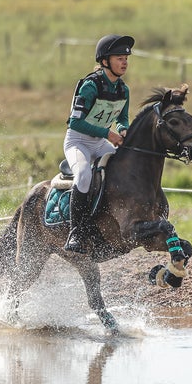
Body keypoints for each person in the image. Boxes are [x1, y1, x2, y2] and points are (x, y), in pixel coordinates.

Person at [63, 33, 134, 253]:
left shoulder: (123, 89)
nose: (124, 61)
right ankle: (76, 231)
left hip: (100, 142)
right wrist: (109, 134)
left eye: (126, 58)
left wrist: (123, 129)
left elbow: (122, 117)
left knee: (125, 170)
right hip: (78, 142)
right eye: (119, 58)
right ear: (105, 61)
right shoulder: (90, 86)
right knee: (83, 174)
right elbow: (74, 122)